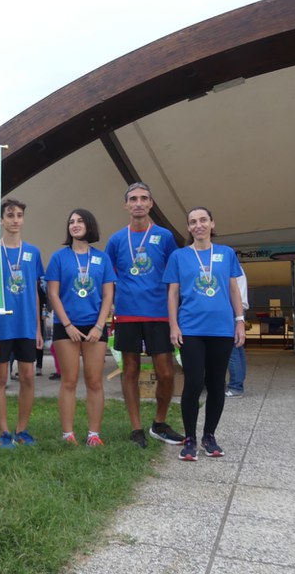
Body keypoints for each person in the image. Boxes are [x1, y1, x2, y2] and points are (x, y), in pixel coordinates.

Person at [104, 182, 184, 448]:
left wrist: (177, 311)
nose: (138, 203)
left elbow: (175, 275)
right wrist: (112, 303)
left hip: (159, 314)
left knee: (166, 372)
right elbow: (108, 278)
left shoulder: (165, 236)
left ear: (151, 204)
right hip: (127, 315)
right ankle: (136, 428)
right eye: (133, 199)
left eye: (144, 198)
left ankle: (159, 424)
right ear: (126, 205)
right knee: (130, 371)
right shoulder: (116, 240)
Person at [164, 207, 245, 461]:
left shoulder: (226, 253)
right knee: (194, 382)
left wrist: (240, 320)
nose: (198, 225)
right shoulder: (179, 256)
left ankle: (209, 436)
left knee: (216, 383)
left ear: (212, 223)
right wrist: (173, 325)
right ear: (188, 228)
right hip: (191, 329)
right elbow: (173, 294)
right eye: (192, 222)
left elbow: (233, 289)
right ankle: (190, 438)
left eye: (203, 220)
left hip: (221, 328)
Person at [46, 209, 115, 446]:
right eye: (71, 222)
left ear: (90, 225)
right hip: (66, 326)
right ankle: (68, 434)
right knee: (69, 380)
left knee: (94, 381)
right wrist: (67, 325)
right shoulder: (58, 257)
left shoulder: (102, 258)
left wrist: (99, 326)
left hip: (94, 326)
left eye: (80, 221)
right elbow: (53, 293)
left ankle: (93, 434)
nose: (75, 225)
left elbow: (108, 295)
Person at [0, 198, 44, 448]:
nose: (15, 220)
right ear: (1, 220)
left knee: (28, 376)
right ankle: (4, 432)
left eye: (19, 215)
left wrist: (39, 328)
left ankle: (22, 429)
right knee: (0, 377)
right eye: (10, 215)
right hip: (1, 325)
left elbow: (36, 293)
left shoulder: (33, 252)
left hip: (27, 325)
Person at [225, 267, 248, 397]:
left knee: (231, 348)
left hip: (233, 309)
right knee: (238, 348)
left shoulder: (230, 269)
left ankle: (235, 386)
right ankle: (238, 382)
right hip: (240, 309)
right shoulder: (239, 269)